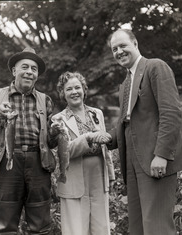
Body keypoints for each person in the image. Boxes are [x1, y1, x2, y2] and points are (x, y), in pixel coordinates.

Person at [108, 29, 182, 235]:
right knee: (138, 227)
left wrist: (161, 155)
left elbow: (171, 113)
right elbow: (126, 123)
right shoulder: (125, 84)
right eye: (114, 49)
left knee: (157, 227)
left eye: (123, 45)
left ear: (135, 43)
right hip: (132, 162)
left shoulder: (155, 67)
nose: (119, 51)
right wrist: (100, 138)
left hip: (154, 158)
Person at [0, 47, 56, 235]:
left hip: (38, 164)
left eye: (34, 69)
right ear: (14, 71)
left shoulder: (46, 100)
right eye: (25, 67)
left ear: (37, 75)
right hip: (6, 164)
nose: (29, 72)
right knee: (5, 226)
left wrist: (57, 131)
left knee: (41, 225)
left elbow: (51, 142)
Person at [49, 71, 115, 235]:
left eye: (77, 87)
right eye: (68, 89)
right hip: (74, 179)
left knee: (101, 228)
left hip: (98, 177)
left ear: (84, 90)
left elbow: (105, 148)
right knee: (77, 230)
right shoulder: (58, 119)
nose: (74, 92)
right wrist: (88, 138)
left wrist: (111, 175)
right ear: (63, 94)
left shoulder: (96, 113)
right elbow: (66, 151)